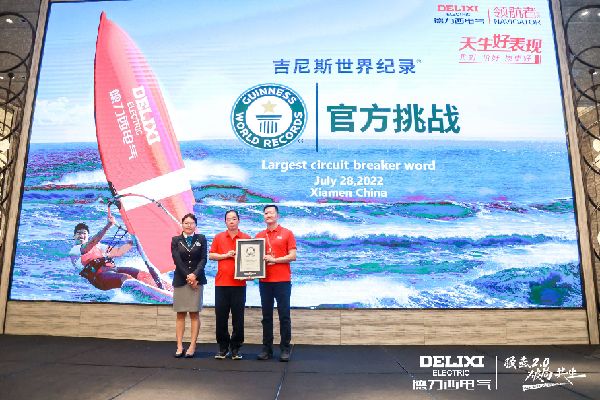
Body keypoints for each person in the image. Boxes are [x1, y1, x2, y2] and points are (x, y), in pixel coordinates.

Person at [70, 214, 162, 291]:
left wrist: (132, 241)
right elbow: (91, 244)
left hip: (112, 270)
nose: (81, 235)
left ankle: (162, 288)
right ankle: (149, 293)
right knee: (126, 279)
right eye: (78, 233)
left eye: (84, 233)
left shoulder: (98, 246)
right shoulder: (75, 250)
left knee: (140, 274)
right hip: (99, 278)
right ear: (74, 236)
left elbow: (118, 252)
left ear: (88, 235)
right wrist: (107, 226)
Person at [255, 204, 297, 362]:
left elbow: (293, 256)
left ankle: (285, 349)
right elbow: (253, 258)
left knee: (284, 315)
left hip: (282, 281)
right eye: (266, 213)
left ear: (277, 215)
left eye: (271, 212)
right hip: (264, 281)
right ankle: (267, 349)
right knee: (266, 316)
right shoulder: (259, 235)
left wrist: (275, 260)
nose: (268, 215)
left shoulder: (287, 233)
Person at [209, 210, 251, 360]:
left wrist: (252, 273)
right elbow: (211, 255)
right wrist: (225, 255)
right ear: (225, 222)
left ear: (239, 220)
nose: (231, 221)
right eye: (228, 219)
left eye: (234, 218)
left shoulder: (246, 238)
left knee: (238, 318)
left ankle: (236, 349)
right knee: (221, 317)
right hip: (221, 283)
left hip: (239, 284)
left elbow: (252, 259)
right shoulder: (219, 237)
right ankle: (222, 348)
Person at [171, 213, 207, 358]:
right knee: (180, 314)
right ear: (182, 224)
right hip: (181, 280)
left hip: (197, 281)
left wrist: (195, 275)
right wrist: (189, 277)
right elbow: (177, 261)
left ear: (195, 225)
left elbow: (203, 259)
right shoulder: (175, 240)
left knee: (194, 314)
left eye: (191, 223)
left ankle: (192, 345)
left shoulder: (201, 238)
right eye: (186, 223)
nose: (189, 225)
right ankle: (179, 346)